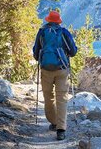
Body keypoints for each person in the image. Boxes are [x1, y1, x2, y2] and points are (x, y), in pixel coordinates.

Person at [33, 10, 77, 140]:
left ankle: (53, 122)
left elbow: (36, 52)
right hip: (62, 69)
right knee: (62, 98)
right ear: (58, 21)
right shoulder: (64, 32)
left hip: (46, 69)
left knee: (48, 97)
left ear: (48, 20)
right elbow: (73, 51)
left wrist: (41, 58)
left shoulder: (42, 32)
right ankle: (61, 129)